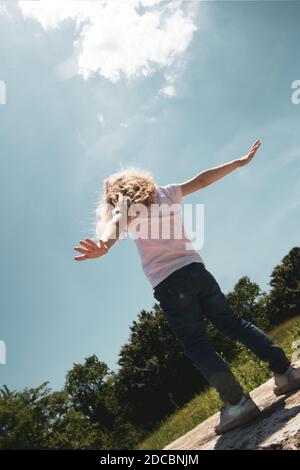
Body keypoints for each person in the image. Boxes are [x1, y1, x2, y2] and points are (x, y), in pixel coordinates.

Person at [74, 140, 300, 434]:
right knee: (234, 324)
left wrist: (104, 244)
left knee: (196, 344)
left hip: (170, 283)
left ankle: (237, 403)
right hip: (197, 270)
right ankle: (285, 371)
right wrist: (238, 163)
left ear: (116, 196)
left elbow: (115, 223)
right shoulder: (166, 193)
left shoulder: (127, 207)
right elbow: (203, 180)